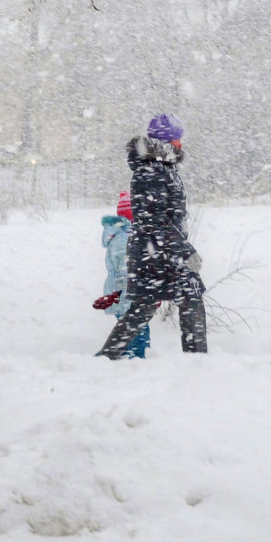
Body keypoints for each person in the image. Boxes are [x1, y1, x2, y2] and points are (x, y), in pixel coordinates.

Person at [96, 113, 207, 360]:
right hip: (153, 255)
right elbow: (154, 222)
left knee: (183, 298)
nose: (181, 144)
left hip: (160, 252)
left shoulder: (164, 167)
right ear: (168, 141)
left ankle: (197, 359)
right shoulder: (150, 171)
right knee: (156, 305)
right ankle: (198, 359)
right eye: (178, 139)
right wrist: (185, 250)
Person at [98, 191, 151, 359]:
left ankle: (142, 351)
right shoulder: (123, 239)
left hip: (127, 290)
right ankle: (134, 355)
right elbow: (125, 269)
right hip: (124, 291)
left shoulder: (125, 234)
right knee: (134, 325)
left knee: (138, 323)